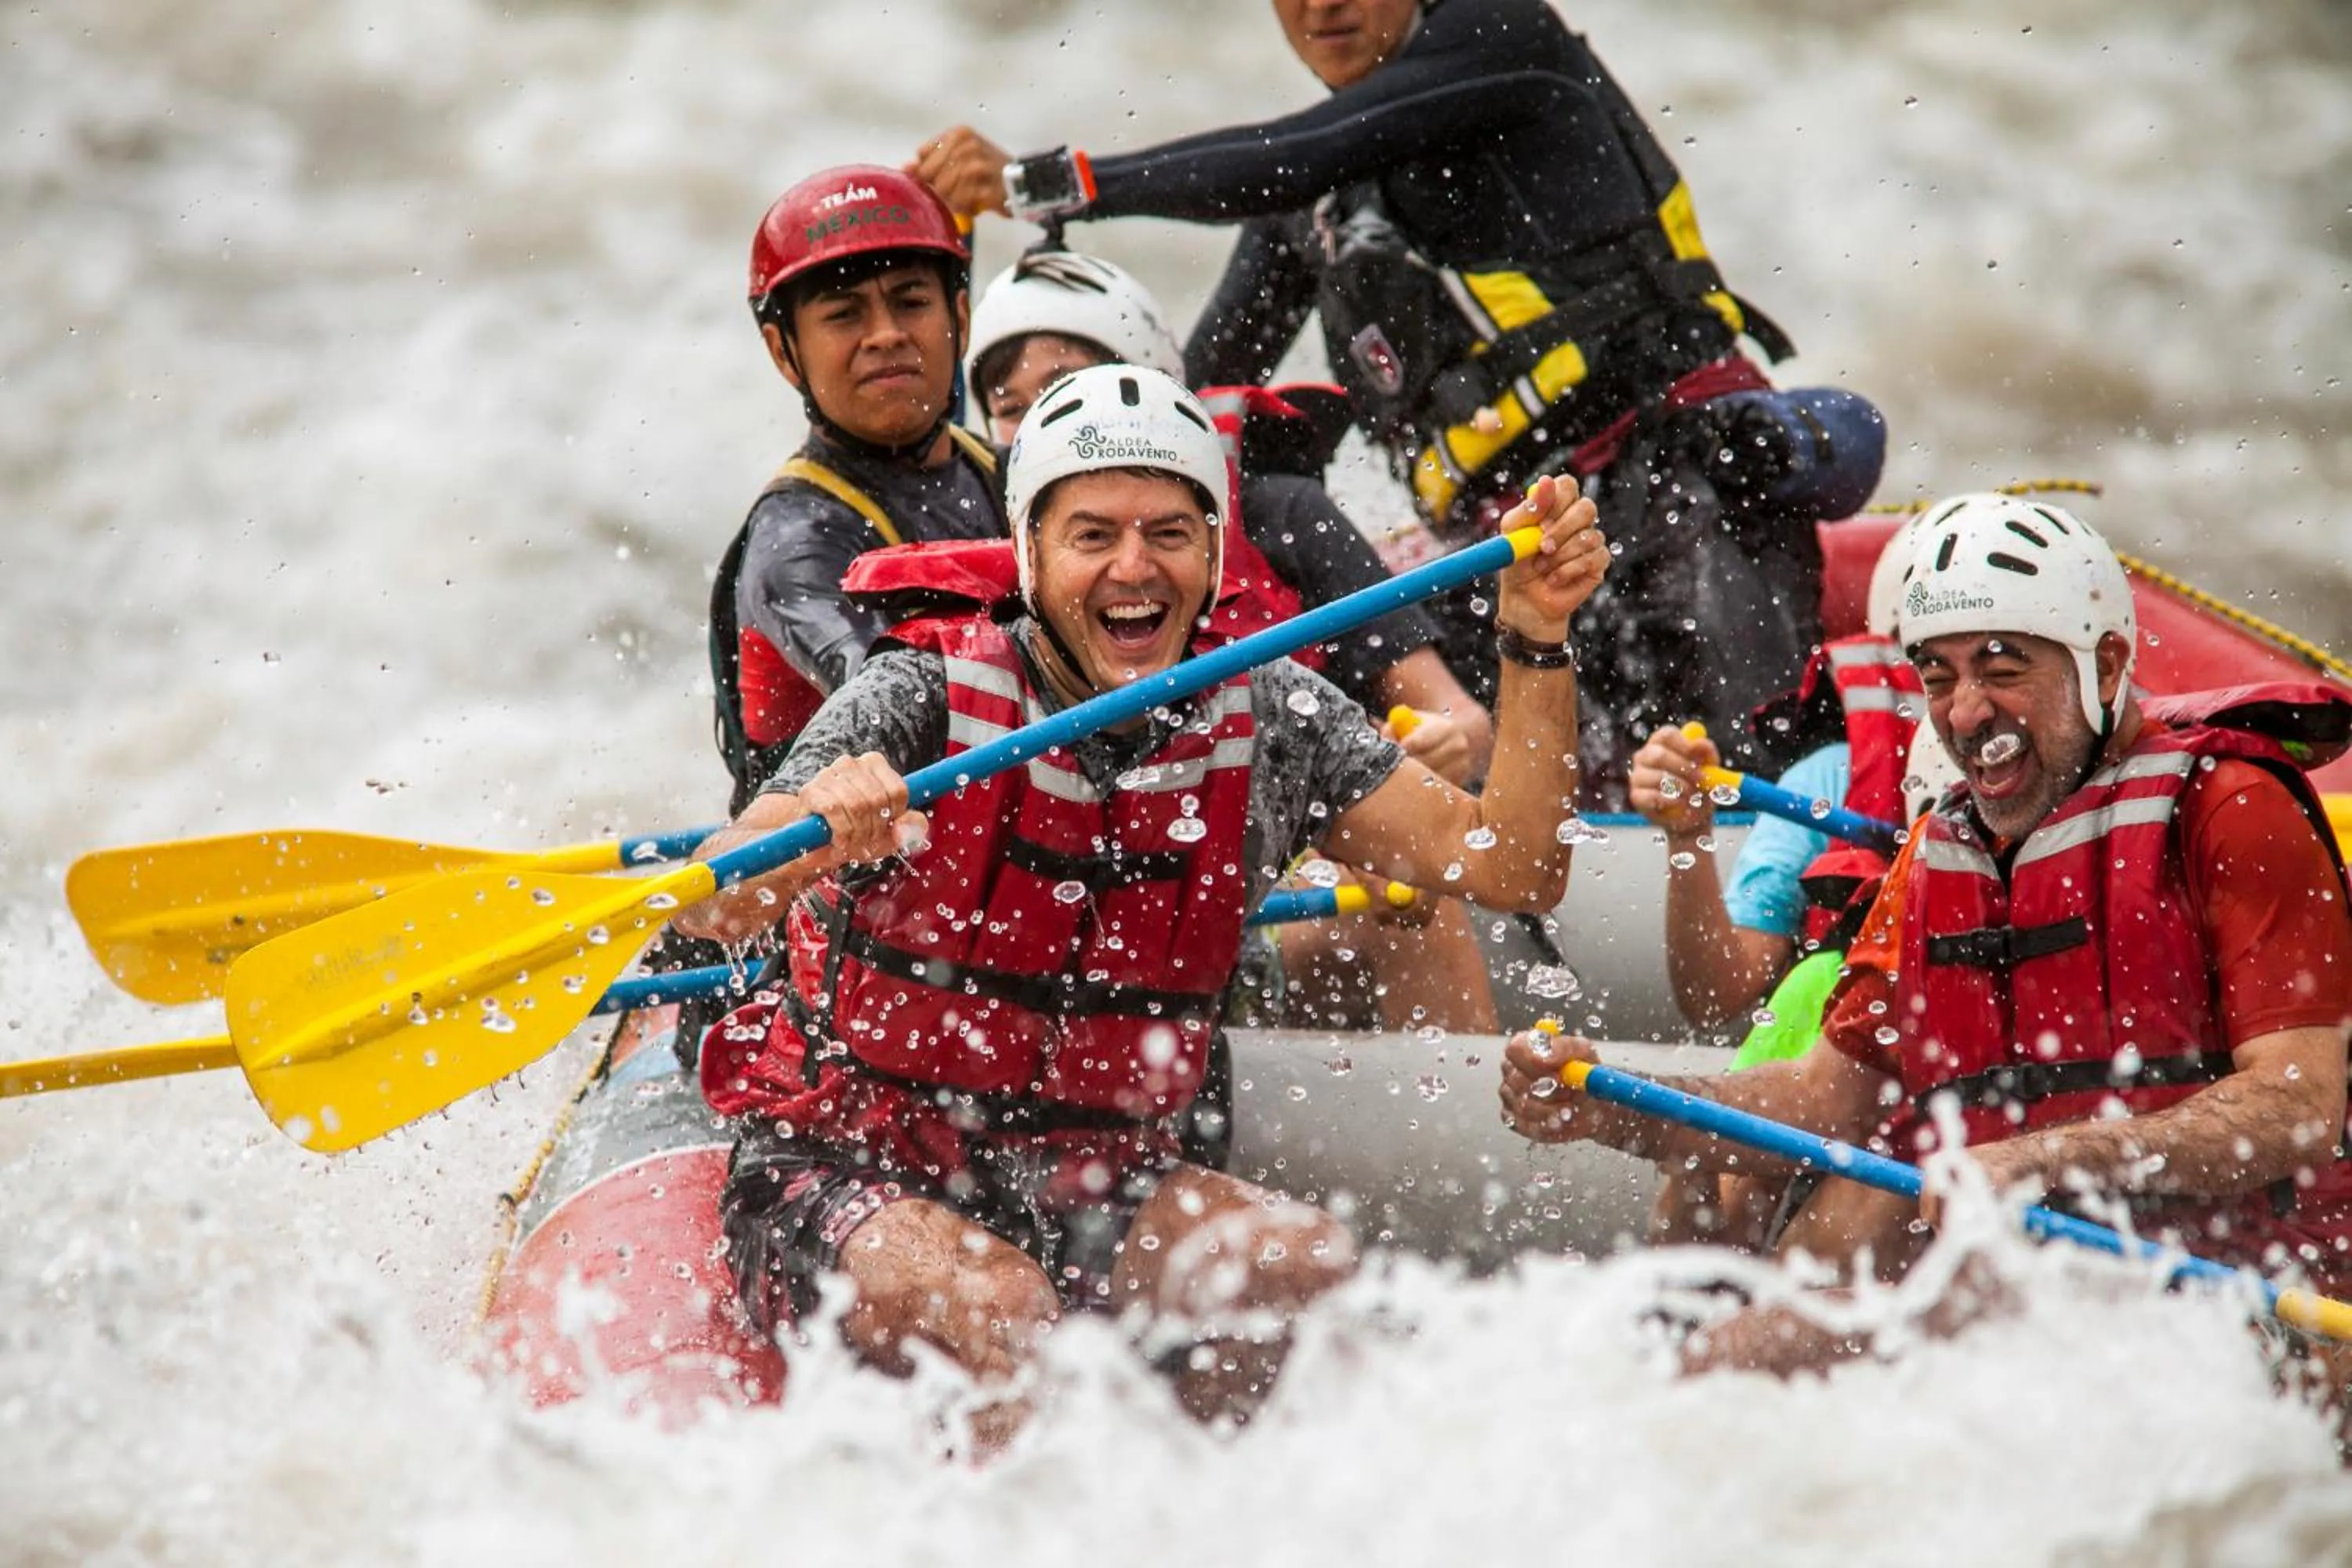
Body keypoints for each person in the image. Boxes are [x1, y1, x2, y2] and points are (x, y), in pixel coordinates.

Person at [672, 365, 1607, 1449]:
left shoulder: (1279, 718)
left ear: (1213, 556)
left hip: (1083, 1170)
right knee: (1002, 1312)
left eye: (1170, 532)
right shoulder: (918, 695)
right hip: (840, 1164)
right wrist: (812, 826)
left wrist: (1535, 641)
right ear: (1032, 557)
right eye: (1093, 536)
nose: (1134, 568)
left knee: (1298, 1270)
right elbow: (723, 901)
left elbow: (1512, 869)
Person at [911, 0, 1886, 798]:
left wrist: (1042, 181)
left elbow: (1294, 146)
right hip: (1509, 557)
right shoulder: (1317, 208)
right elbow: (1190, 403)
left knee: (1738, 759)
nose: (1321, 6)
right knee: (1403, 696)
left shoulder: (1512, 45)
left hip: (1686, 498)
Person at [1500, 492, 2352, 1381]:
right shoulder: (1939, 850)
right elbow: (1831, 1098)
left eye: (2002, 666)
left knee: (1769, 1348)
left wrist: (2038, 1158)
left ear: (2105, 666)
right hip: (2053, 1285)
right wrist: (1619, 1105)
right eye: (1938, 677)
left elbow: (2295, 1109)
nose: (1967, 711)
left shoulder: (2230, 806)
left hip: (2258, 1294)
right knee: (1741, 1355)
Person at [964, 245, 1496, 1033]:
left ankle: (1486, 1137)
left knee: (1411, 881)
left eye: (1067, 384)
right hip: (1080, 912)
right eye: (1011, 405)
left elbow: (1462, 720)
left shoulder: (1283, 513)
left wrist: (1430, 750)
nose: (1050, 417)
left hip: (1291, 890)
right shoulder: (997, 556)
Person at [1631, 515, 1940, 1247]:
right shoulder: (1829, 780)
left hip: (1951, 1093)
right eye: (1938, 668)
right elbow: (1717, 995)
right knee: (1814, 983)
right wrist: (1688, 841)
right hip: (1840, 1051)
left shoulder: (2086, 798)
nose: (1965, 704)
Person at [712, 164, 1004, 815]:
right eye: (845, 315)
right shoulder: (796, 542)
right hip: (842, 895)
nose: (886, 334)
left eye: (911, 301)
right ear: (783, 352)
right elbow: (889, 695)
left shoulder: (1015, 474)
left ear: (959, 313)